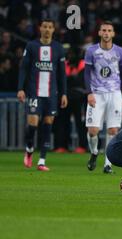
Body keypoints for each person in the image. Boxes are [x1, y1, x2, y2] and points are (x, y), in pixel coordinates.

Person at [17, 19, 67, 171]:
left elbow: (62, 74)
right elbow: (24, 68)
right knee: (32, 124)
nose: (47, 29)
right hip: (34, 91)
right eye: (44, 26)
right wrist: (21, 88)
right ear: (40, 28)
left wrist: (64, 93)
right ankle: (30, 148)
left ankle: (42, 161)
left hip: (51, 93)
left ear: (53, 30)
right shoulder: (32, 46)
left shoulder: (58, 48)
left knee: (47, 126)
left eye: (50, 27)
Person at [84, 21, 122, 174]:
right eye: (103, 30)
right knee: (93, 131)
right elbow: (86, 73)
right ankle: (94, 152)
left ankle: (107, 164)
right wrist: (89, 93)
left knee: (112, 130)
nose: (106, 33)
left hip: (115, 93)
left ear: (113, 33)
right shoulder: (91, 51)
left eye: (109, 30)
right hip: (97, 93)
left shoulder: (120, 52)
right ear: (99, 33)